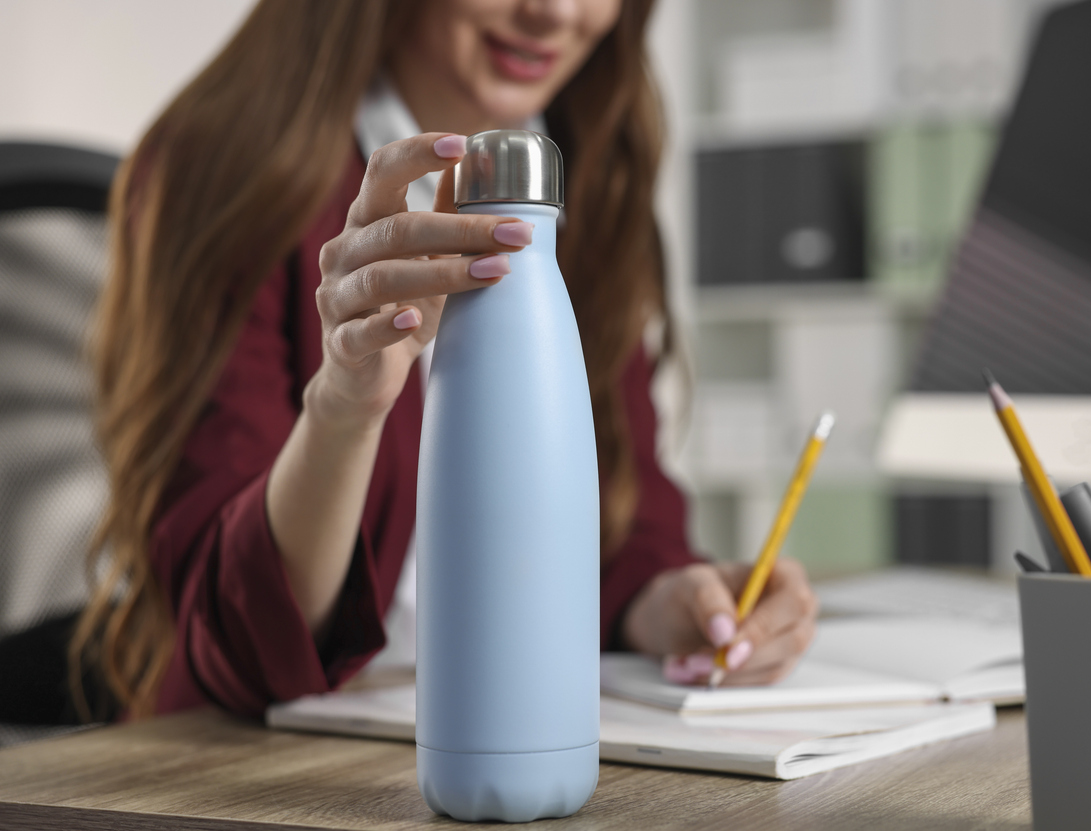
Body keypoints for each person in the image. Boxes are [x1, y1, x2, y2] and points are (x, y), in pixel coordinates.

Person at [72, 0, 818, 720]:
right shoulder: (238, 172)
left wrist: (670, 606)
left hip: (519, 726)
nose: (556, 11)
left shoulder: (579, 171)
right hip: (269, 761)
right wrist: (344, 409)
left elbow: (622, 514)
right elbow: (233, 625)